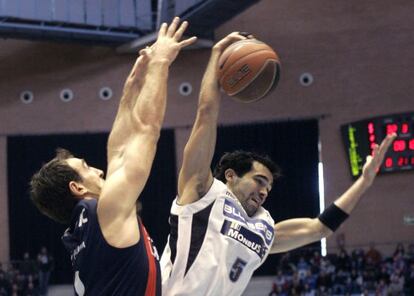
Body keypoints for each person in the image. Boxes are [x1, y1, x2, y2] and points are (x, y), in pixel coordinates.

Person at [159, 32, 397, 295]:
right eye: (259, 181)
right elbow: (205, 115)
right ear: (230, 175)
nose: (263, 191)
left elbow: (319, 227)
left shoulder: (262, 227)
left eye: (268, 188)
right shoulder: (202, 192)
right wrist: (216, 56)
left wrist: (364, 182)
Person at [29, 17, 196, 296]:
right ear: (77, 187)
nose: (99, 170)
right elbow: (146, 131)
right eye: (86, 168)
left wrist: (130, 91)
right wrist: (160, 64)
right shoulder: (104, 212)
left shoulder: (81, 234)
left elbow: (118, 152)